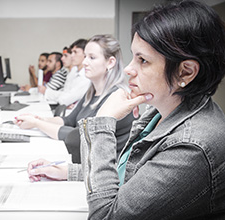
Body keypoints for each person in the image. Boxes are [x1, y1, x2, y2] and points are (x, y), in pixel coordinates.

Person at [27, 1, 225, 219]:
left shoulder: (192, 146)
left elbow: (106, 216)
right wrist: (70, 172)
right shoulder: (159, 111)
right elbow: (131, 177)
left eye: (143, 60)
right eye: (133, 56)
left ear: (185, 72)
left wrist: (103, 121)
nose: (129, 69)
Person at [16, 35, 134, 152]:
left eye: (92, 57)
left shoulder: (117, 97)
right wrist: (40, 119)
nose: (85, 62)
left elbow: (79, 138)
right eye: (85, 57)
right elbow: (70, 121)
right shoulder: (92, 92)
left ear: (110, 62)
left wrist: (37, 123)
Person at [44, 39, 90, 106]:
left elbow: (64, 100)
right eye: (71, 52)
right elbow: (65, 95)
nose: (72, 56)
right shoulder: (74, 72)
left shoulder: (86, 76)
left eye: (75, 52)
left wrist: (67, 100)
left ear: (85, 54)